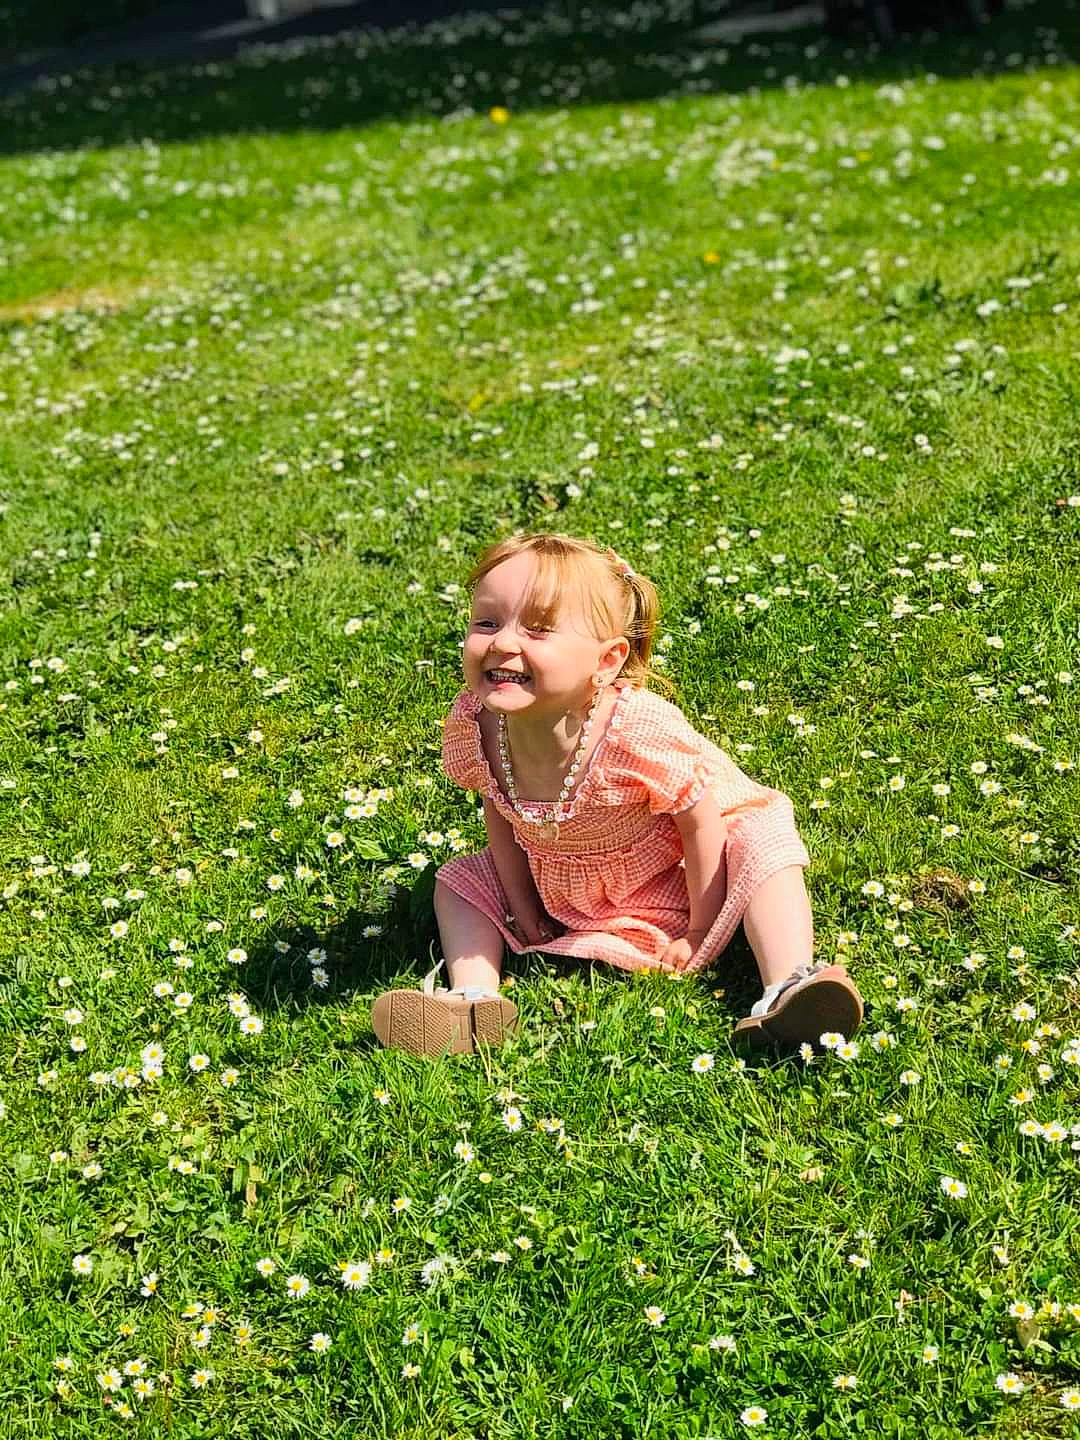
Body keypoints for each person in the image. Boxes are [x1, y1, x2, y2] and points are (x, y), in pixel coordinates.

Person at [370, 532, 863, 1058]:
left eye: (537, 629)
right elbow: (499, 809)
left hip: (683, 873)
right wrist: (522, 906)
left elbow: (700, 822)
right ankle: (472, 998)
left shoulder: (635, 730)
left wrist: (701, 929)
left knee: (764, 841)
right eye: (486, 623)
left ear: (605, 663)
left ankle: (788, 985)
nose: (503, 643)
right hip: (561, 878)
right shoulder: (477, 724)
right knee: (458, 883)